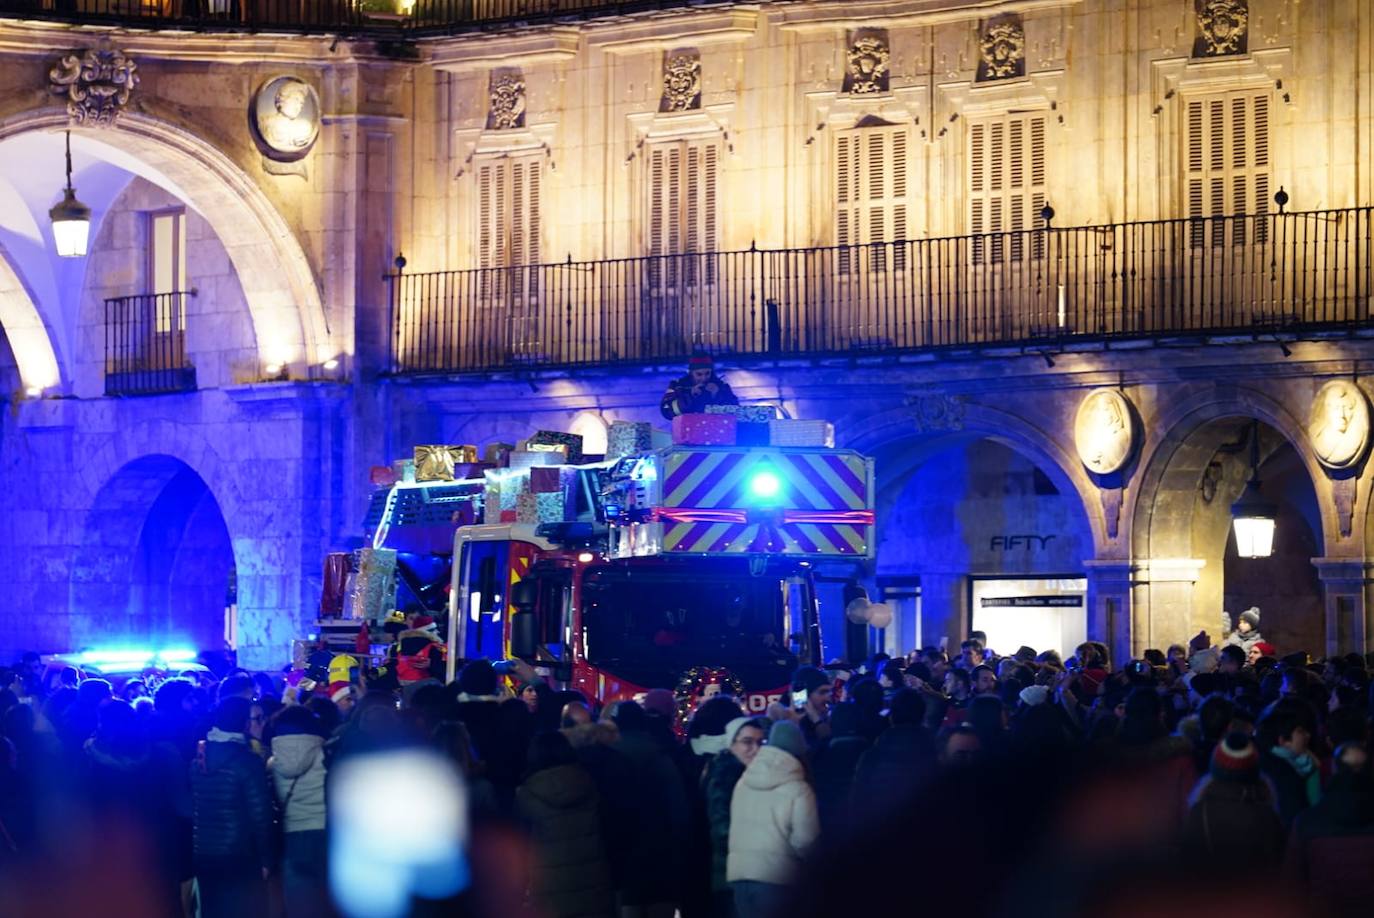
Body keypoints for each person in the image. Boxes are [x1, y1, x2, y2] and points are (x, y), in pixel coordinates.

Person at [191, 697, 275, 918]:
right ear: (244, 723)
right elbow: (260, 814)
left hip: (204, 851)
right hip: (240, 853)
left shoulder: (198, 759)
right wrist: (266, 857)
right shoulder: (247, 762)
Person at [516, 731, 615, 918]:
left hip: (549, 889)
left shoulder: (527, 795)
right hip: (593, 886)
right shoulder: (589, 784)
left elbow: (521, 843)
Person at [726, 720, 818, 918]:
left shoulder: (744, 780)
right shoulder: (799, 788)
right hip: (778, 880)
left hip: (740, 877)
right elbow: (805, 840)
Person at [1182, 732, 1285, 867]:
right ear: (1253, 769)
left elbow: (1188, 863)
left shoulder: (1198, 812)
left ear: (1216, 767)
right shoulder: (1269, 815)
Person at [268, 705, 329, 918]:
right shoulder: (326, 755)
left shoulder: (274, 762)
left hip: (293, 836)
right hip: (325, 834)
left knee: (301, 907)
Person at [703, 717, 765, 918]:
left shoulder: (752, 774)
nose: (754, 748)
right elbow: (721, 829)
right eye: (747, 742)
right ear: (732, 744)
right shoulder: (724, 776)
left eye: (760, 742)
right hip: (731, 876)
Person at [659, 353, 739, 419]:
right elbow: (666, 410)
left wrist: (716, 395)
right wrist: (690, 396)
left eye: (707, 373)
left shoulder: (721, 386)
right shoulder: (678, 386)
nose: (703, 378)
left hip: (715, 432)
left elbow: (735, 410)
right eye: (699, 374)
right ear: (691, 373)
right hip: (687, 431)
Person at [790, 666, 833, 749]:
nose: (828, 698)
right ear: (806, 695)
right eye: (822, 692)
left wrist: (817, 719)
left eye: (829, 692)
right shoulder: (788, 720)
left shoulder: (832, 718)